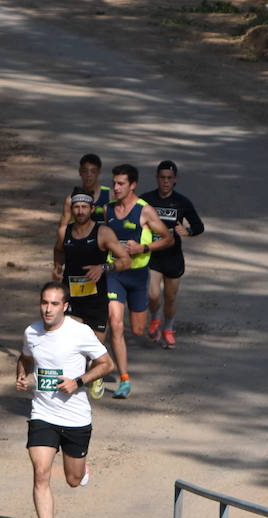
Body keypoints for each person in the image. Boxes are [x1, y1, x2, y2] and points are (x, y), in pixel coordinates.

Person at [15, 283, 113, 518]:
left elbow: (107, 364)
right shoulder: (31, 332)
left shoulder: (80, 333)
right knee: (41, 473)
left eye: (54, 304)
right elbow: (25, 357)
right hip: (43, 414)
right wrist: (22, 376)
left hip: (76, 417)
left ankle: (81, 472)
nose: (48, 309)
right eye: (44, 303)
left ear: (65, 306)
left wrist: (78, 381)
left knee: (71, 479)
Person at [51, 189, 130, 398]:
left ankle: (97, 374)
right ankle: (70, 386)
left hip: (96, 300)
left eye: (84, 207)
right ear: (72, 209)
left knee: (94, 347)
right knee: (70, 342)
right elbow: (58, 250)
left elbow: (125, 260)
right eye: (76, 207)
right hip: (72, 298)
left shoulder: (103, 233)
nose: (80, 211)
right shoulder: (64, 232)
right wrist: (58, 266)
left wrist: (104, 268)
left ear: (91, 209)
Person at [104, 163, 173, 398]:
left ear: (132, 185)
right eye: (114, 183)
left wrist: (143, 247)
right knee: (115, 323)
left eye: (121, 183)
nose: (115, 187)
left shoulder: (145, 211)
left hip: (137, 275)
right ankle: (123, 378)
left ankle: (156, 315)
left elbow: (167, 239)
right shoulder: (108, 210)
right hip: (114, 274)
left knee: (137, 329)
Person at [141, 160, 205, 350]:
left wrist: (188, 231)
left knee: (170, 297)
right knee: (153, 295)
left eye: (169, 178)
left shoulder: (182, 202)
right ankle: (155, 319)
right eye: (162, 178)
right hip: (152, 256)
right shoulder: (146, 200)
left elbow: (199, 226)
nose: (165, 182)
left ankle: (168, 329)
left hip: (173, 258)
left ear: (175, 179)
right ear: (157, 178)